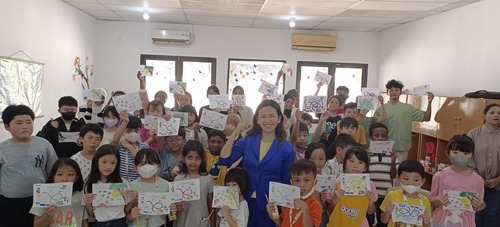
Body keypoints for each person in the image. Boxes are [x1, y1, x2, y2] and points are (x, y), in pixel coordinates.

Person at [219, 100, 295, 227]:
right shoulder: (247, 141)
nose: (267, 120)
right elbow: (225, 159)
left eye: (272, 116)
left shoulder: (287, 149)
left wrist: (281, 212)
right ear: (257, 120)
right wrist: (235, 133)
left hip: (270, 206)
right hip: (245, 201)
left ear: (279, 118)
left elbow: (286, 182)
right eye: (263, 116)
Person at [0, 105, 58, 227]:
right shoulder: (2, 149)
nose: (25, 126)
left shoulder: (44, 144)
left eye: (28, 122)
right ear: (7, 127)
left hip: (40, 201)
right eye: (19, 123)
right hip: (10, 203)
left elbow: (53, 171)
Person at [430, 135, 485, 227]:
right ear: (448, 154)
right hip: (441, 222)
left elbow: (479, 205)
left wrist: (481, 205)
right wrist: (438, 200)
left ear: (472, 155)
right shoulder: (440, 176)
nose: (461, 156)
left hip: (466, 223)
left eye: (466, 153)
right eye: (455, 152)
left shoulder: (478, 180)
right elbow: (431, 202)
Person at [374, 79, 434, 161]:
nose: (394, 92)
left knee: (400, 170)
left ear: (400, 92)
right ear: (388, 92)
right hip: (383, 145)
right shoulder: (381, 108)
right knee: (382, 169)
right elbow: (374, 127)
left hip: (401, 146)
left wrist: (430, 102)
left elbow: (426, 118)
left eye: (396, 90)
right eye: (391, 90)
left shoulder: (408, 108)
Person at [82, 145, 135, 226]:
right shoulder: (90, 183)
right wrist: (87, 204)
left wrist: (134, 198)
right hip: (99, 223)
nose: (108, 166)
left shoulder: (122, 182)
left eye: (113, 163)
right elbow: (92, 215)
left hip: (119, 222)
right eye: (104, 162)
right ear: (96, 161)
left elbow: (125, 210)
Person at [466, 103, 500, 227]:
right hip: (475, 182)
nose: (496, 115)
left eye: (499, 113)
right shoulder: (473, 134)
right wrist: (476, 176)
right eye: (492, 112)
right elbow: (467, 155)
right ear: (484, 116)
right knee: (475, 212)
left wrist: (497, 180)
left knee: (492, 213)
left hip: (497, 186)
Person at [328, 147, 378, 227]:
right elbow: (330, 210)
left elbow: (370, 212)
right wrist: (335, 198)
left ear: (365, 167)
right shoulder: (338, 182)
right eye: (351, 161)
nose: (355, 166)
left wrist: (371, 202)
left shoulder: (369, 184)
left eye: (360, 162)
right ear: (345, 164)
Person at [31, 158, 88, 227]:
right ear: (53, 176)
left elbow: (84, 222)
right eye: (60, 174)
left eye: (70, 174)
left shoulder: (80, 197)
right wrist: (48, 216)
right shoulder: (43, 196)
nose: (64, 179)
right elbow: (36, 225)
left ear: (76, 177)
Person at [127, 148, 177, 227]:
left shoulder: (166, 185)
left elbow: (171, 216)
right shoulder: (131, 186)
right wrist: (132, 216)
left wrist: (172, 211)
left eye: (151, 163)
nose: (147, 167)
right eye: (142, 164)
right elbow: (126, 215)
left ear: (158, 166)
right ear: (135, 167)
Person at [266, 159, 322, 227]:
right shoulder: (288, 200)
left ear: (314, 182)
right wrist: (274, 217)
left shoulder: (316, 205)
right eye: (297, 180)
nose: (301, 184)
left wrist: (305, 208)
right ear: (291, 182)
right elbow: (283, 223)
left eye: (306, 180)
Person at [173, 140, 215, 227]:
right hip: (183, 222)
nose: (193, 162)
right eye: (189, 157)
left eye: (197, 158)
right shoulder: (178, 179)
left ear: (202, 159)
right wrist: (177, 208)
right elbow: (173, 207)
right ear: (183, 159)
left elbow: (211, 205)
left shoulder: (208, 179)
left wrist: (213, 224)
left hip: (202, 222)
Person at [380, 160, 432, 227]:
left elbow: (426, 225)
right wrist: (388, 212)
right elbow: (383, 221)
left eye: (416, 180)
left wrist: (426, 222)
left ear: (423, 181)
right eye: (406, 179)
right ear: (399, 179)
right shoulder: (391, 195)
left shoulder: (425, 201)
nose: (410, 183)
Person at [367, 123, 399, 227]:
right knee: (369, 219)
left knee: (383, 221)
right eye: (376, 136)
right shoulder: (367, 154)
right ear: (371, 137)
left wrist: (393, 161)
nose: (380, 138)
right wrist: (367, 160)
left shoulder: (392, 155)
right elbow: (364, 174)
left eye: (383, 136)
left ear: (387, 137)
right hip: (370, 194)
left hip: (385, 194)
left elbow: (393, 175)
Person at [112, 111, 149, 182]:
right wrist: (125, 122)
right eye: (129, 131)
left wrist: (129, 146)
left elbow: (143, 163)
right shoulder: (119, 147)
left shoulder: (144, 147)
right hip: (120, 184)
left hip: (138, 183)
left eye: (136, 131)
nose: (133, 133)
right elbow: (115, 140)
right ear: (123, 132)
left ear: (140, 131)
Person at [304, 143, 330, 227]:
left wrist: (324, 201)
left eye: (321, 159)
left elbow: (328, 206)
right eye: (312, 159)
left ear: (326, 160)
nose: (316, 163)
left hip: (321, 215)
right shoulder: (301, 177)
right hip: (304, 215)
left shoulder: (328, 178)